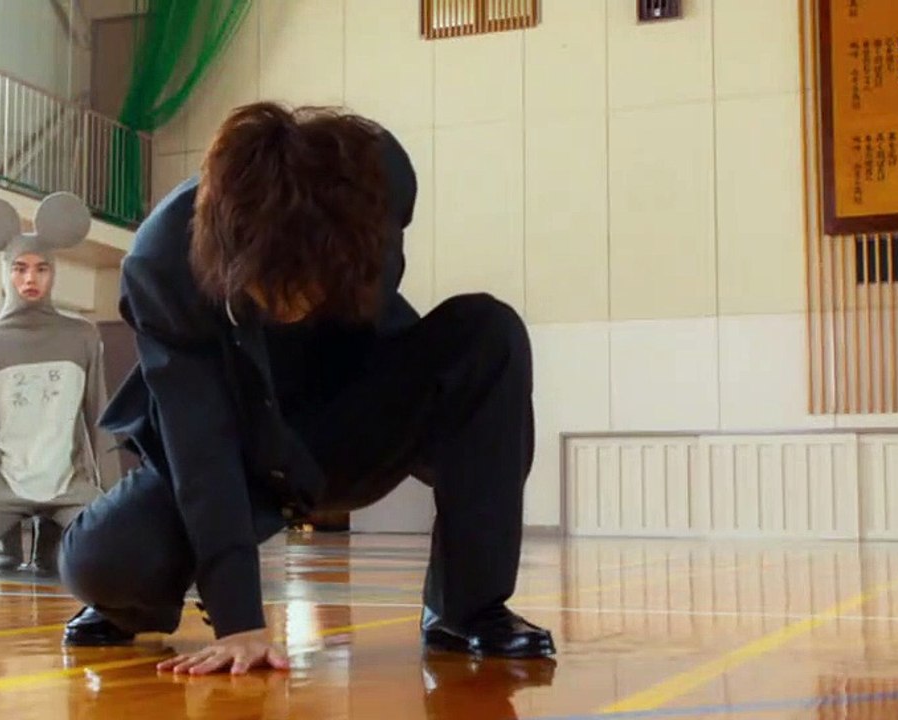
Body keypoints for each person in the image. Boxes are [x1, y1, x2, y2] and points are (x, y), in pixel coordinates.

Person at [59, 101, 553, 674]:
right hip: (237, 447)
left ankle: (466, 610)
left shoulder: (379, 185)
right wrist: (239, 619)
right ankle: (132, 604)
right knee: (104, 561)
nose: (289, 302)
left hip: (347, 418)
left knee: (490, 333)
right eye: (270, 284)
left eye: (302, 281)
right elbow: (200, 445)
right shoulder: (162, 261)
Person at [0, 192, 120, 576]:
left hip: (69, 485)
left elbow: (100, 423)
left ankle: (50, 533)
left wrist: (117, 503)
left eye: (41, 269)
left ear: (54, 273)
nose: (30, 279)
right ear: (6, 272)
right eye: (19, 269)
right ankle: (6, 534)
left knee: (113, 553)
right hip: (4, 484)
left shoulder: (83, 337)